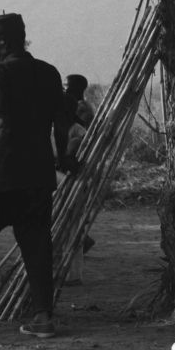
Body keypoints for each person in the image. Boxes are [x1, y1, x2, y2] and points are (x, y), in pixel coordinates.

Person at [0, 13, 74, 337]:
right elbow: (61, 124)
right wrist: (63, 159)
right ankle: (43, 318)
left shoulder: (0, 72)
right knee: (38, 248)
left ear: (3, 42)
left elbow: (1, 128)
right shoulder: (48, 73)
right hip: (39, 178)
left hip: (4, 178)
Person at [61, 74, 96, 285]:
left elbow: (77, 141)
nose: (65, 89)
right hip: (73, 169)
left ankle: (73, 272)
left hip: (75, 169)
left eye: (68, 86)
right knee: (71, 222)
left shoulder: (79, 110)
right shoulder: (78, 108)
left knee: (70, 222)